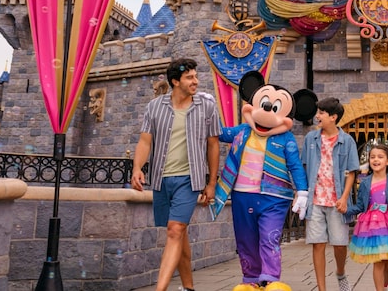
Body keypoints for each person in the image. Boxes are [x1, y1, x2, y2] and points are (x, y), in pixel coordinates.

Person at [219, 71, 316, 290]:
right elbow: (219, 132)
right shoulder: (242, 131)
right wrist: (205, 114)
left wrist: (302, 192)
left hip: (274, 197)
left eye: (274, 108)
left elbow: (294, 166)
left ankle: (271, 278)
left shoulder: (286, 138)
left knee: (269, 238)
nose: (265, 112)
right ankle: (251, 279)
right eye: (263, 104)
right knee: (246, 239)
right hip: (242, 195)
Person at [130, 58, 221, 291]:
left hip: (189, 179)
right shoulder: (154, 107)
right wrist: (138, 168)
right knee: (178, 234)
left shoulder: (207, 107)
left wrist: (212, 183)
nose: (196, 81)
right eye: (189, 77)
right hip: (162, 180)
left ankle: (160, 289)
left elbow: (213, 145)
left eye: (195, 76)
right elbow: (144, 141)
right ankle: (188, 287)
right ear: (175, 81)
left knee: (175, 230)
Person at [299, 97, 361, 291]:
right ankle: (321, 288)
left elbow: (352, 172)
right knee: (317, 244)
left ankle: (341, 273)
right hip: (315, 200)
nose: (317, 116)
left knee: (340, 244)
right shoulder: (311, 139)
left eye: (321, 113)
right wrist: (300, 194)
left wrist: (344, 198)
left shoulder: (347, 141)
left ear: (333, 117)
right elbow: (303, 167)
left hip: (336, 202)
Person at [345, 144, 388, 291]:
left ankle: (384, 285)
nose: (376, 160)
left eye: (380, 157)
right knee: (378, 261)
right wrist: (346, 210)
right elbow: (360, 206)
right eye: (373, 157)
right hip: (371, 224)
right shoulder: (365, 183)